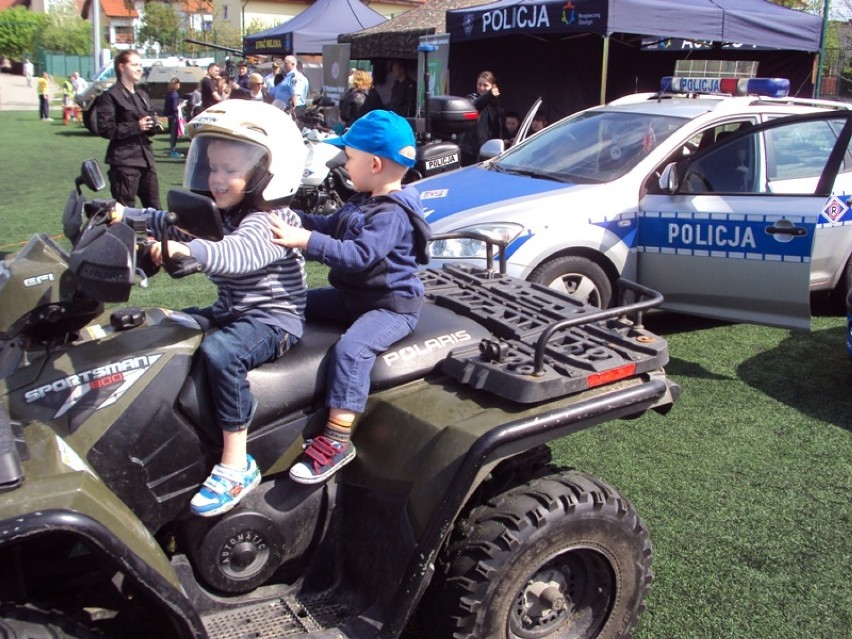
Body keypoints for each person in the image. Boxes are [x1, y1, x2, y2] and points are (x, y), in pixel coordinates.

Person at [112, 100, 309, 517]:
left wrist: (190, 250)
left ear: (267, 174)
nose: (216, 179)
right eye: (212, 167)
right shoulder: (224, 211)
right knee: (170, 325)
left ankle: (237, 463)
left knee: (223, 353)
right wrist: (119, 215)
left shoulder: (270, 221)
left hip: (273, 319)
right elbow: (166, 220)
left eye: (230, 171)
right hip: (234, 308)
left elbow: (236, 254)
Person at [268, 110, 431, 484]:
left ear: (374, 164)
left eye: (349, 158)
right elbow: (330, 225)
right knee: (297, 299)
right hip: (354, 298)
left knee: (351, 351)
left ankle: (337, 439)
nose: (344, 164)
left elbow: (358, 256)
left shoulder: (391, 214)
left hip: (391, 306)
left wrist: (306, 242)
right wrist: (291, 218)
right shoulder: (362, 199)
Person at [94, 49, 162, 209]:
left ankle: (156, 235)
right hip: (124, 161)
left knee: (154, 208)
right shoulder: (110, 96)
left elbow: (148, 121)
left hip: (146, 159)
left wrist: (154, 125)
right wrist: (136, 126)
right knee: (125, 210)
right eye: (135, 64)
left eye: (140, 65)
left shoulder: (141, 94)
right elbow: (106, 129)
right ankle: (130, 235)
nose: (140, 69)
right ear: (121, 67)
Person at [459, 70, 505, 166]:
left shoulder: (494, 105)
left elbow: (497, 127)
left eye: (485, 85)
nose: (481, 88)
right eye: (479, 84)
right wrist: (490, 94)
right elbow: (476, 105)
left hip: (488, 150)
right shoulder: (471, 98)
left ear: (492, 86)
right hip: (470, 150)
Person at [271, 55, 309, 124]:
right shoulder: (288, 77)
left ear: (293, 64)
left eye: (286, 63)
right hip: (284, 109)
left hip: (293, 111)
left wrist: (292, 113)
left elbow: (295, 95)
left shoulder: (295, 77)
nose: (284, 65)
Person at [163, 76, 184, 158]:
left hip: (169, 116)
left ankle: (172, 150)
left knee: (172, 134)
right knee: (174, 135)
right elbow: (175, 107)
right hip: (175, 116)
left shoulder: (168, 94)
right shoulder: (175, 95)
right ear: (177, 84)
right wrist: (182, 105)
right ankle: (173, 151)